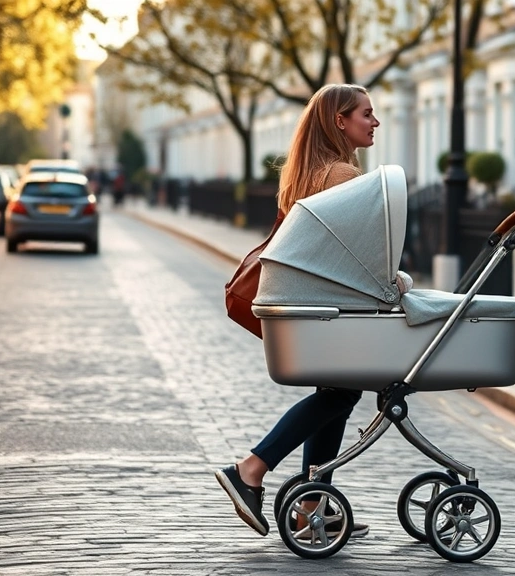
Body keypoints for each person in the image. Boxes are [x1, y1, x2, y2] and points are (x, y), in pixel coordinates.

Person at [215, 83, 393, 539]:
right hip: (331, 305)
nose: (374, 122)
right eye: (366, 114)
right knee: (339, 395)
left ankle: (313, 508)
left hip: (309, 304)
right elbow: (362, 255)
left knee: (338, 393)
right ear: (340, 120)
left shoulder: (306, 173)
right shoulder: (342, 177)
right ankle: (251, 469)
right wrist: (399, 283)